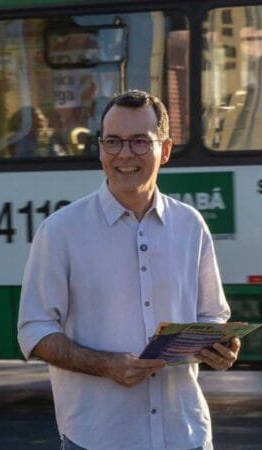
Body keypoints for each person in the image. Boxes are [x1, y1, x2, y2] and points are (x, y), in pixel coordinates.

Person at [17, 90, 240, 450]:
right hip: (99, 437)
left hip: (184, 435)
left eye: (139, 142)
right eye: (113, 142)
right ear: (100, 147)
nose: (124, 155)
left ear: (164, 150)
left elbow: (212, 316)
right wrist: (106, 365)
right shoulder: (61, 231)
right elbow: (34, 330)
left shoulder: (190, 225)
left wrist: (221, 345)